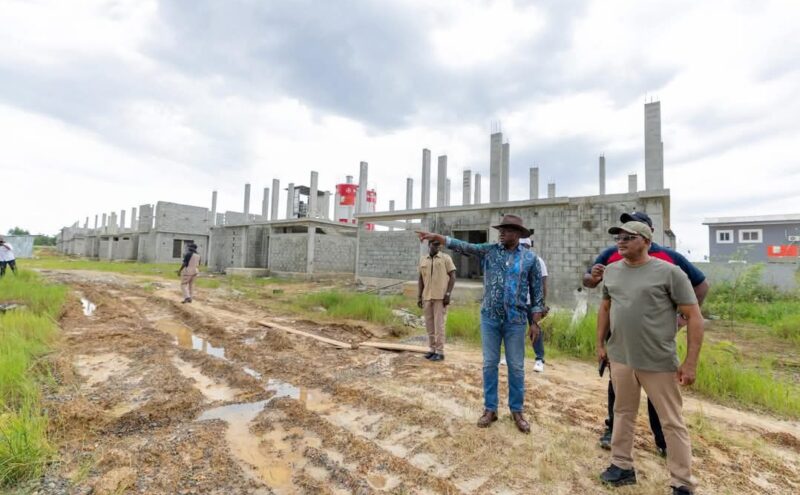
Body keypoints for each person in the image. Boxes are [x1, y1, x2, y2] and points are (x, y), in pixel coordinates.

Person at [585, 211, 708, 455]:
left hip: (655, 346)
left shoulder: (669, 260)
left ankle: (663, 441)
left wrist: (681, 319)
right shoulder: (612, 256)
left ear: (648, 234)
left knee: (659, 398)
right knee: (619, 397)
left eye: (632, 231)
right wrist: (594, 277)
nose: (623, 238)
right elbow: (593, 286)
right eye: (621, 233)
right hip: (621, 345)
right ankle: (614, 437)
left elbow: (700, 286)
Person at [416, 214, 544, 433]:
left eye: (507, 230)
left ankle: (517, 411)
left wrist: (535, 322)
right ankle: (490, 409)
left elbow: (537, 293)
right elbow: (464, 246)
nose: (502, 233)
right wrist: (440, 237)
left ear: (518, 234)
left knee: (516, 366)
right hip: (490, 319)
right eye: (501, 229)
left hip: (515, 321)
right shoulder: (490, 251)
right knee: (489, 364)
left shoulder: (530, 260)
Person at [417, 239, 456, 361]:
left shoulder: (446, 258)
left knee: (439, 325)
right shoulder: (423, 259)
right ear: (429, 245)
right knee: (429, 325)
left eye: (439, 245)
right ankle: (432, 350)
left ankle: (440, 352)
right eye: (435, 245)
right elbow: (420, 279)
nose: (438, 247)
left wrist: (448, 294)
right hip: (427, 297)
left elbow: (453, 276)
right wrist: (419, 296)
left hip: (440, 297)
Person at [519, 236, 548, 372]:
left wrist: (541, 304)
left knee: (534, 330)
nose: (522, 248)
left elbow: (543, 284)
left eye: (525, 246)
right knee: (514, 330)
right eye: (520, 245)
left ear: (529, 247)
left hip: (533, 304)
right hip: (517, 302)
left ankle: (539, 359)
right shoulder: (514, 259)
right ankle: (512, 356)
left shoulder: (538, 261)